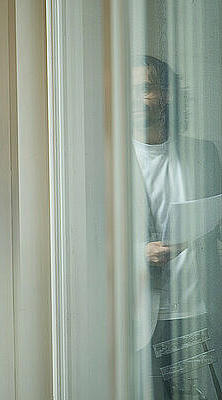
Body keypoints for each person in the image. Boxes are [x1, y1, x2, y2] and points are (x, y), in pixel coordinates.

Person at [131, 55, 222, 399]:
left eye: (144, 89)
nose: (135, 100)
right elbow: (83, 239)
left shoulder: (204, 154)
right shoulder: (105, 161)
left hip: (200, 311)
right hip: (143, 316)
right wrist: (137, 253)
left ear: (166, 94)